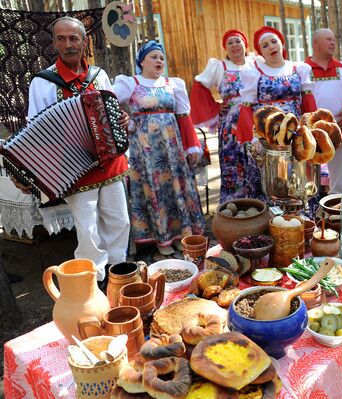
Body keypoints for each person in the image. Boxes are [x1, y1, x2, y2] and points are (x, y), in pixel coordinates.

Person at [23, 16, 130, 285]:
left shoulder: (99, 75)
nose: (68, 44)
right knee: (88, 229)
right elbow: (36, 128)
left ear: (84, 41)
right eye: (61, 38)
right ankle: (94, 284)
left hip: (110, 161)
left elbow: (112, 111)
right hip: (75, 167)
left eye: (73, 38)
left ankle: (119, 275)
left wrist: (121, 120)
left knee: (119, 221)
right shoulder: (43, 81)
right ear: (55, 43)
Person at [113, 41, 205, 257]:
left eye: (161, 58)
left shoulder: (173, 84)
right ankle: (162, 239)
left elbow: (184, 117)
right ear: (142, 61)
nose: (159, 61)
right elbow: (106, 100)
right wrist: (126, 121)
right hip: (145, 151)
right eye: (153, 57)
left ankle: (182, 234)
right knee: (154, 189)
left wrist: (192, 145)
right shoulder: (130, 83)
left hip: (172, 150)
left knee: (176, 188)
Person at [236, 26, 317, 200]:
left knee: (297, 179)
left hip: (294, 134)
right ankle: (272, 223)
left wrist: (310, 130)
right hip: (267, 138)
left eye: (274, 42)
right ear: (261, 52)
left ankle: (300, 222)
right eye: (265, 45)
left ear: (282, 44)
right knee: (272, 183)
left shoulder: (299, 69)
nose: (271, 46)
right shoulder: (254, 73)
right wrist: (255, 138)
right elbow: (246, 108)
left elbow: (309, 104)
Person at [189, 29, 255, 202]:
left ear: (245, 44)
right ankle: (233, 205)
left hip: (255, 123)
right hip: (230, 126)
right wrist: (214, 109)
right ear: (225, 48)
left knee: (255, 161)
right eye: (230, 43)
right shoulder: (219, 66)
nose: (234, 45)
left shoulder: (255, 64)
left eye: (237, 41)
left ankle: (258, 204)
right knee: (232, 163)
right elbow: (199, 86)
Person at [305, 29, 342, 195]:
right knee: (309, 181)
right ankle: (311, 216)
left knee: (339, 181)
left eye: (334, 40)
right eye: (328, 39)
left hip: (340, 128)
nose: (333, 43)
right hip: (310, 131)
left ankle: (336, 217)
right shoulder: (303, 69)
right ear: (316, 43)